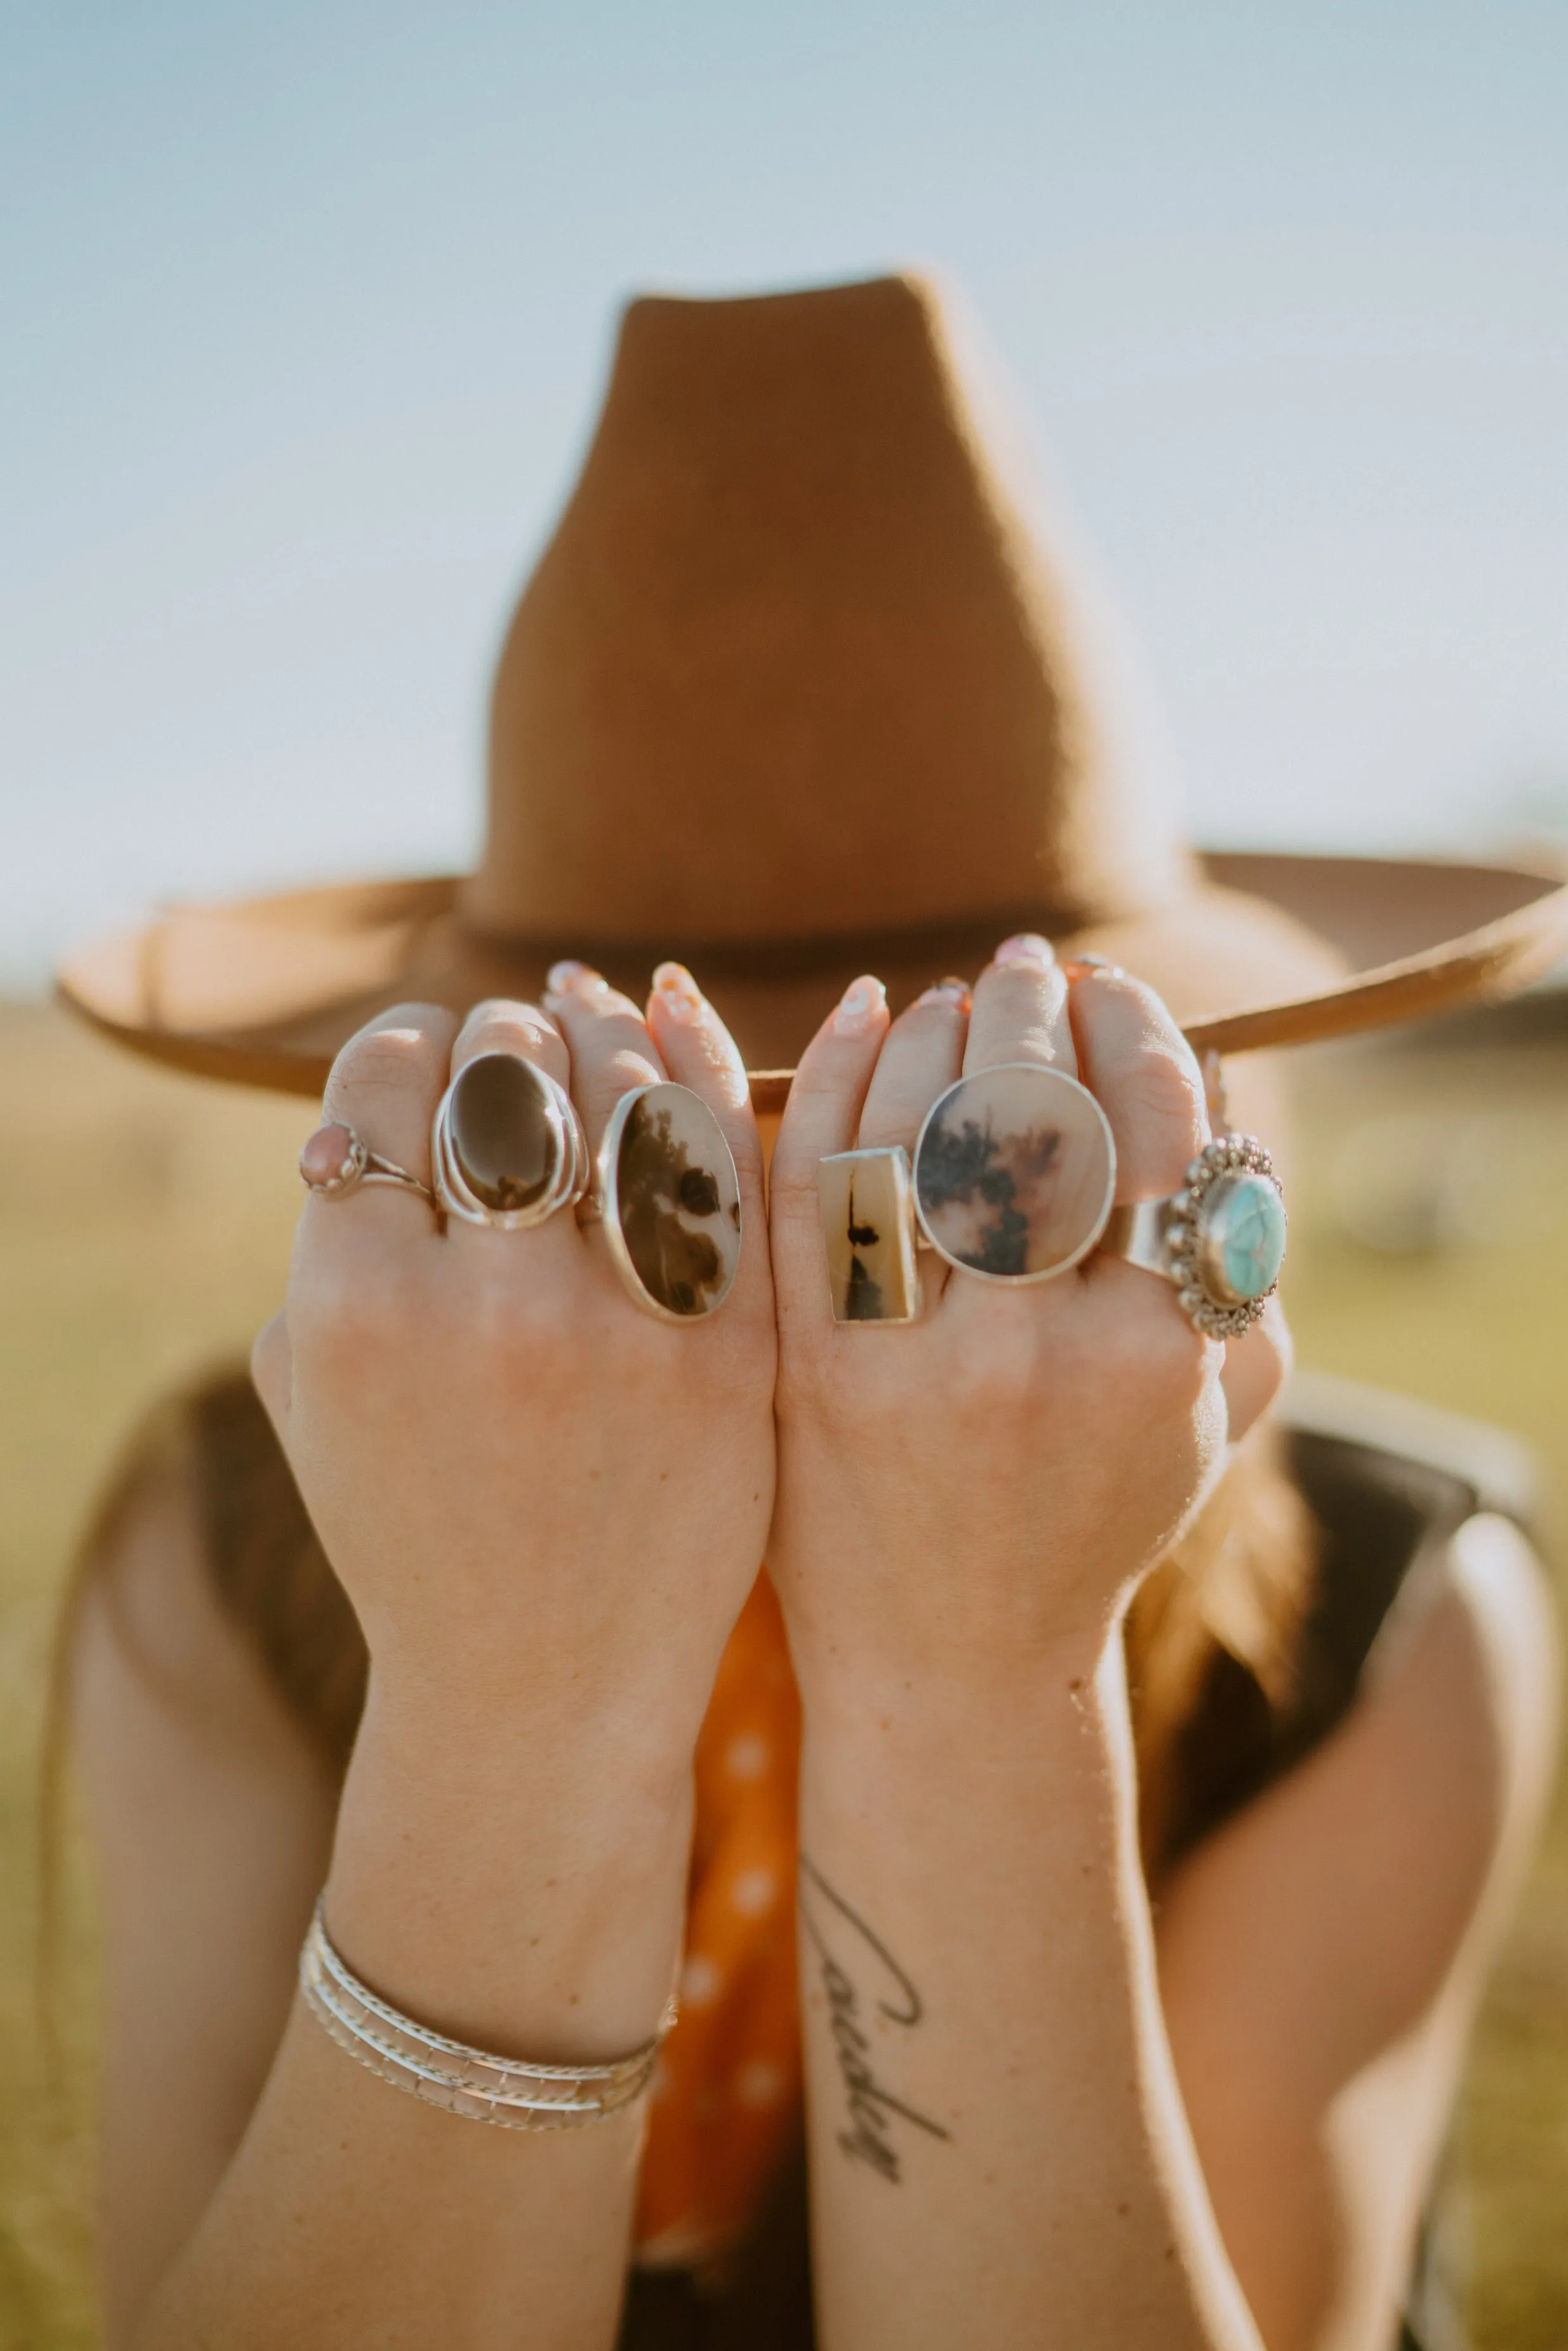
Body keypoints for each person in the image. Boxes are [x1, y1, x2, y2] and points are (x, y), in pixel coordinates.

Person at [59, 274, 1563, 2351]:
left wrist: (968, 1686)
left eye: (939, 1162)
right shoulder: (220, 1556)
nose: (811, 1252)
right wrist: (510, 1717)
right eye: (714, 1164)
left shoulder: (1401, 1605)